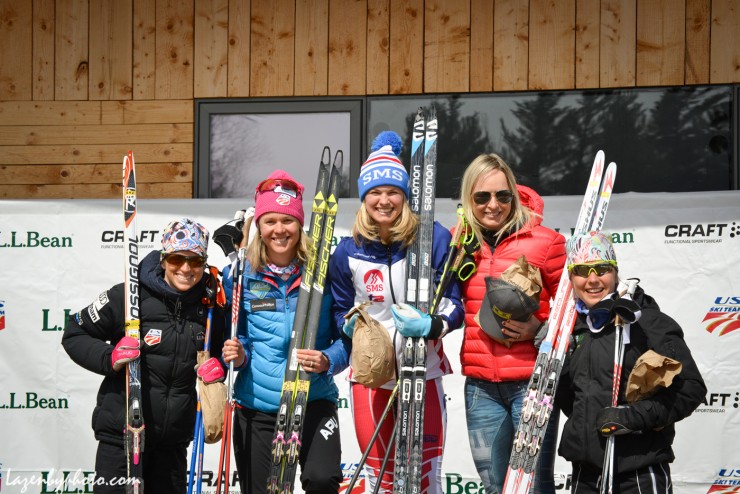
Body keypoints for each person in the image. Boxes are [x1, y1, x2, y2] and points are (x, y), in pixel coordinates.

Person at [329, 132, 465, 493]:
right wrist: (356, 330)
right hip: (371, 379)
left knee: (424, 479)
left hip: (423, 373)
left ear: (406, 196)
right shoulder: (347, 252)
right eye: (375, 192)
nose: (384, 200)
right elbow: (341, 310)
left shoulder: (432, 238)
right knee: (380, 480)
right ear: (363, 198)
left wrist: (433, 324)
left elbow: (455, 302)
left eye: (393, 192)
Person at [62, 218, 226, 493]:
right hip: (123, 436)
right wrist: (109, 357)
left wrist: (218, 365)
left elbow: (222, 353)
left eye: (195, 261)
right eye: (176, 259)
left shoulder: (209, 306)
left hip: (171, 444)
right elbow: (75, 332)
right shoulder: (129, 296)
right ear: (163, 260)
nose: (186, 269)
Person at [219, 170, 349, 494]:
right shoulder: (239, 275)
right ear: (259, 226)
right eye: (270, 221)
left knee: (322, 480)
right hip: (258, 407)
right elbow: (239, 334)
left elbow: (347, 337)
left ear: (300, 225)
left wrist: (327, 360)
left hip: (313, 400)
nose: (279, 230)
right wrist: (239, 352)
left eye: (288, 221)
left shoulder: (326, 271)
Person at [556, 231, 706, 493]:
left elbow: (690, 389)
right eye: (581, 270)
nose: (592, 279)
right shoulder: (574, 329)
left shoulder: (647, 321)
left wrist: (633, 416)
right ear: (571, 278)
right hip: (585, 474)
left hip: (637, 473)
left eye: (601, 269)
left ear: (615, 273)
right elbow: (573, 399)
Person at [457, 153, 566, 494]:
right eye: (482, 197)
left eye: (503, 196)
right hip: (480, 387)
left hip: (533, 384)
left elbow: (574, 314)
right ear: (468, 200)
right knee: (493, 486)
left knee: (534, 486)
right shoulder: (459, 243)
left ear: (515, 197)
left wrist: (540, 330)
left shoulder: (546, 242)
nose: (493, 205)